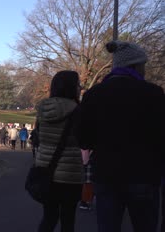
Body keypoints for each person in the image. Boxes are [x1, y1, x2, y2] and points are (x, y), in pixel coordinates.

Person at [77, 41, 165, 232]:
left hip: (107, 173)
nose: (145, 70)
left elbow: (83, 138)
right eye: (143, 65)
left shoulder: (94, 95)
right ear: (135, 65)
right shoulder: (153, 93)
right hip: (143, 174)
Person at [36, 70, 84, 232]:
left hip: (46, 169)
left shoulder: (43, 109)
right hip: (70, 173)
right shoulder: (78, 111)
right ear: (71, 87)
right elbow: (84, 140)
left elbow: (36, 137)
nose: (80, 88)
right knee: (68, 220)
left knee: (48, 218)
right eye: (78, 85)